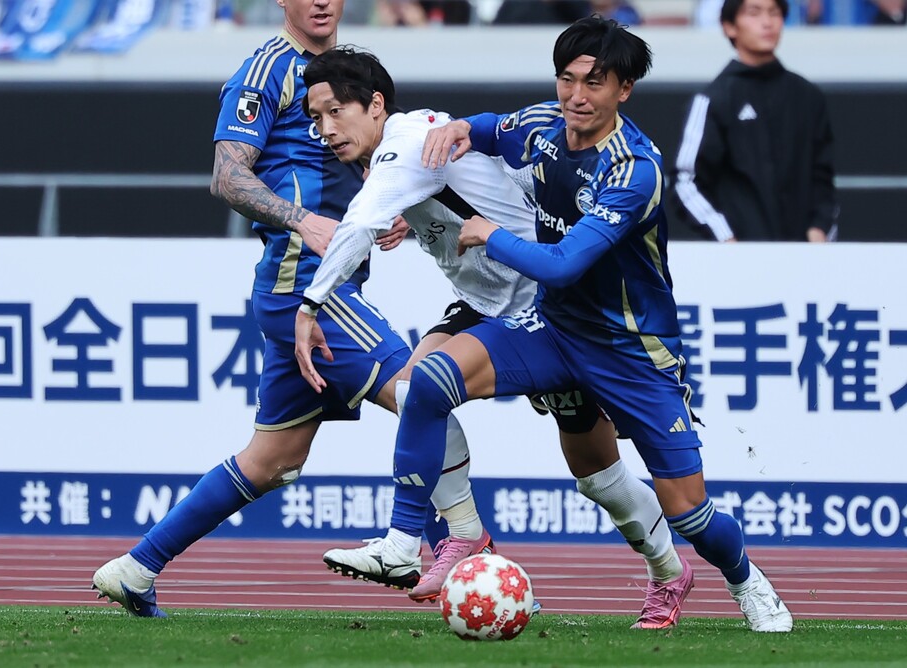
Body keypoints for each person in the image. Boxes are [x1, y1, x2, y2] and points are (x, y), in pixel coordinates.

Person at [330, 16, 794, 633]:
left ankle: (744, 580)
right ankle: (415, 540)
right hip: (551, 328)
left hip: (629, 349)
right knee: (427, 383)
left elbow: (565, 264)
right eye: (566, 79)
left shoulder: (633, 170)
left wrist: (489, 235)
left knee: (683, 509)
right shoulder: (545, 124)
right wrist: (459, 129)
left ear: (624, 89)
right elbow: (492, 130)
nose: (576, 96)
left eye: (594, 83)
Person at [90, 0, 471, 617]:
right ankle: (467, 562)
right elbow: (227, 175)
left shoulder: (345, 72)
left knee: (271, 460)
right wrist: (303, 221)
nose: (320, 1)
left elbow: (355, 167)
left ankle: (135, 568)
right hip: (306, 287)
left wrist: (385, 211)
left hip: (311, 286)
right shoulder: (266, 69)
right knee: (421, 392)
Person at [294, 45, 694, 627]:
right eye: (317, 118)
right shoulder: (401, 154)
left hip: (546, 310)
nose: (326, 129)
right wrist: (419, 216)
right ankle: (459, 537)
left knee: (597, 474)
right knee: (415, 389)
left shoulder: (405, 146)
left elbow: (357, 223)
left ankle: (668, 568)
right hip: (486, 306)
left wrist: (310, 306)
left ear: (376, 105)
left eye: (336, 112)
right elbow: (466, 182)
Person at [673, 0, 838, 242]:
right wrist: (726, 238)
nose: (767, 22)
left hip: (806, 256)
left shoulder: (808, 96)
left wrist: (819, 230)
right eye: (754, 13)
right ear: (729, 27)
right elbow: (686, 182)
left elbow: (823, 179)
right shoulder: (713, 99)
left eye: (774, 13)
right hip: (740, 259)